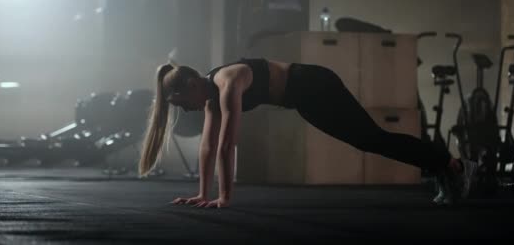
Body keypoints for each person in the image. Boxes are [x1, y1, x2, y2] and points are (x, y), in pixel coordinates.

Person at [138, 58, 477, 208]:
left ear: (193, 85)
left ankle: (453, 165)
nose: (186, 110)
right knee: (367, 140)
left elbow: (228, 145)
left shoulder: (227, 82)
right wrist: (202, 194)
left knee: (371, 138)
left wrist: (224, 198)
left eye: (182, 103)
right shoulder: (209, 96)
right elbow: (207, 148)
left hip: (315, 83)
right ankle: (443, 167)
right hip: (302, 99)